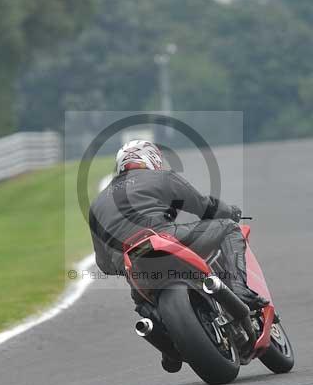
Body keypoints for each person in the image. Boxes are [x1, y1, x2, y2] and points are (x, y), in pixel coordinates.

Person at [88, 140, 268, 371]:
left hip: (131, 260)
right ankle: (241, 289)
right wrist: (230, 212)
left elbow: (103, 264)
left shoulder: (97, 204)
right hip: (163, 237)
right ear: (152, 159)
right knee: (228, 228)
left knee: (141, 301)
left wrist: (120, 264)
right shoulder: (162, 177)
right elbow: (203, 206)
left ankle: (169, 348)